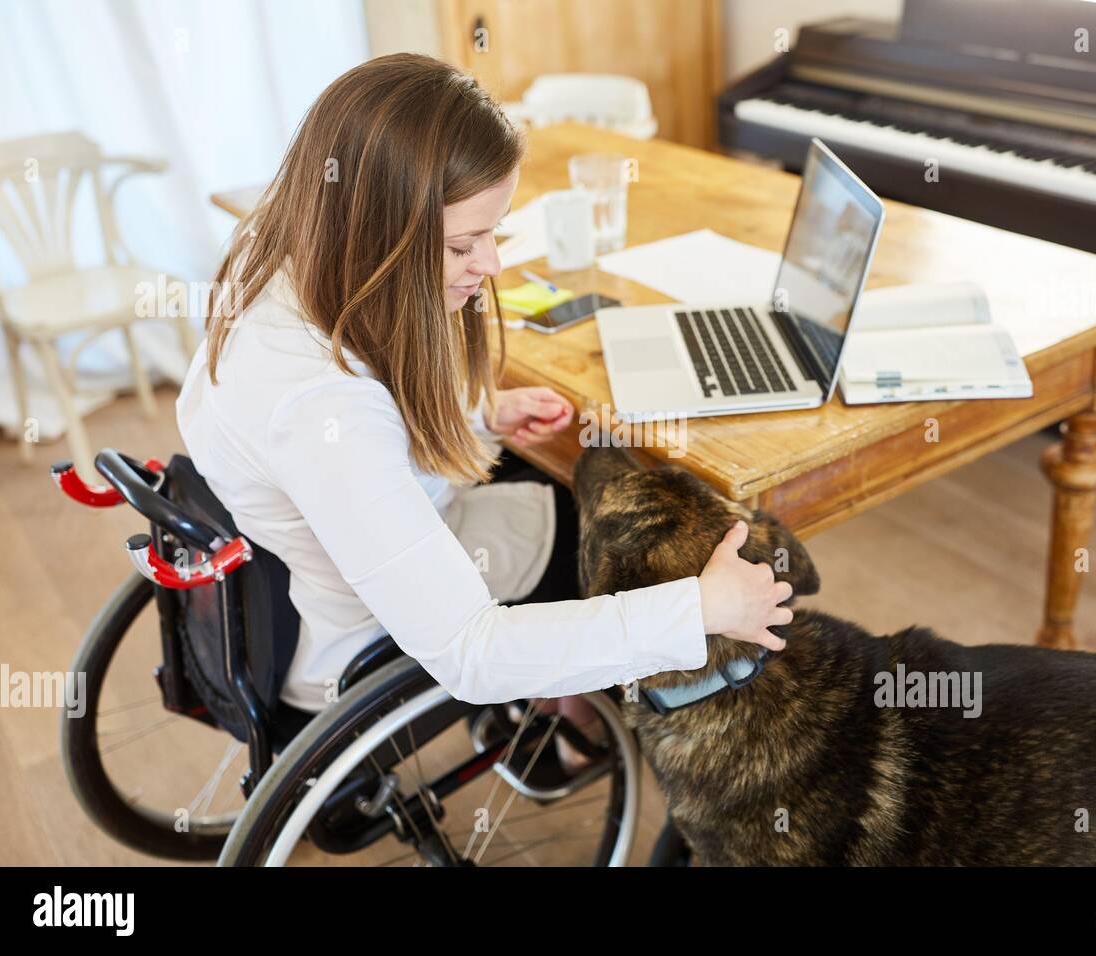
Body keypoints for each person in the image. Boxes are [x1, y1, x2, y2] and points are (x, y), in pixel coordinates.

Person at [175, 53, 792, 771]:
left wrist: (474, 415)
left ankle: (560, 712)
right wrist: (700, 611)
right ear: (373, 236)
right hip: (364, 630)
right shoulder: (321, 413)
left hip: (315, 561)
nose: (491, 264)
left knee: (568, 476)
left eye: (494, 232)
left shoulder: (278, 249)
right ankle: (566, 729)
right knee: (609, 527)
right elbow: (472, 652)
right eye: (464, 244)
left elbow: (355, 424)